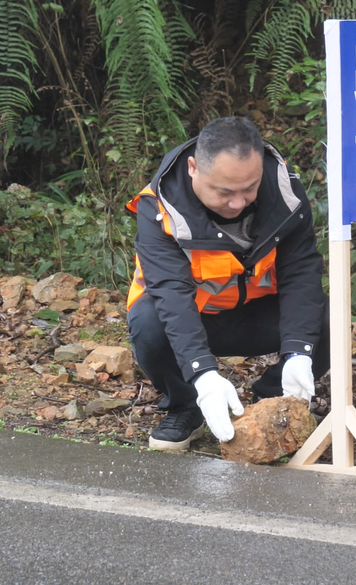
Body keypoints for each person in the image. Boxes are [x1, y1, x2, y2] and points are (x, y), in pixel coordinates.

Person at [125, 117, 330, 451]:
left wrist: (299, 351)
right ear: (193, 168)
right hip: (197, 320)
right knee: (148, 320)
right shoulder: (160, 208)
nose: (238, 203)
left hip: (260, 315)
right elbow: (172, 296)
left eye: (249, 188)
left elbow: (301, 273)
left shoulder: (285, 192)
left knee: (326, 317)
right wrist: (202, 374)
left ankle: (270, 403)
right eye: (224, 192)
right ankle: (188, 405)